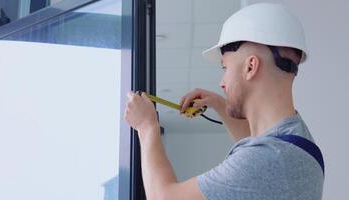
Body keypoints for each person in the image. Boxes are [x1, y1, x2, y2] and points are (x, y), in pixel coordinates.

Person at [124, 3, 324, 200]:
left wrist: (146, 127)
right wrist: (219, 103)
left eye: (225, 68)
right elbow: (256, 147)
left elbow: (164, 198)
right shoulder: (294, 139)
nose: (222, 82)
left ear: (250, 66)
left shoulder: (270, 158)